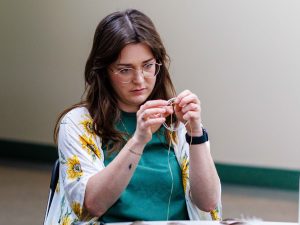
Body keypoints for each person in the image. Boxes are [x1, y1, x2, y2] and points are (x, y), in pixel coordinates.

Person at [44, 9, 221, 225]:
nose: (139, 80)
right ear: (103, 72)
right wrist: (139, 139)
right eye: (125, 70)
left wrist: (196, 133)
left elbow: (209, 203)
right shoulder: (77, 124)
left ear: (159, 64)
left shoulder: (178, 121)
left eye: (147, 66)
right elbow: (92, 205)